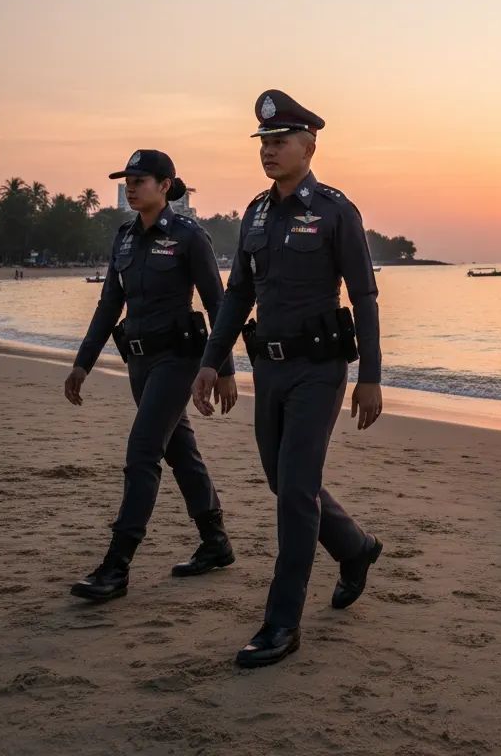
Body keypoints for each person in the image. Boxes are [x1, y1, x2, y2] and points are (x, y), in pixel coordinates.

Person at [192, 89, 383, 669]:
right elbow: (238, 294)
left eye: (280, 142)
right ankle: (355, 548)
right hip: (267, 369)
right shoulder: (254, 213)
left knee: (296, 491)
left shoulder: (334, 211)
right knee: (283, 481)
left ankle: (281, 624)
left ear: (310, 145)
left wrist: (370, 376)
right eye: (264, 143)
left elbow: (365, 295)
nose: (269, 152)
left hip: (320, 371)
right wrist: (211, 358)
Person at [65, 150, 237, 603]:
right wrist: (83, 362)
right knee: (180, 450)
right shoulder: (123, 239)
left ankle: (116, 565)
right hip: (138, 363)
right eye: (128, 180)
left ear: (165, 186)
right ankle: (216, 542)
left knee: (143, 452)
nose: (132, 186)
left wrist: (223, 369)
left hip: (177, 361)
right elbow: (108, 306)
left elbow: (218, 304)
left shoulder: (188, 237)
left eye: (140, 180)